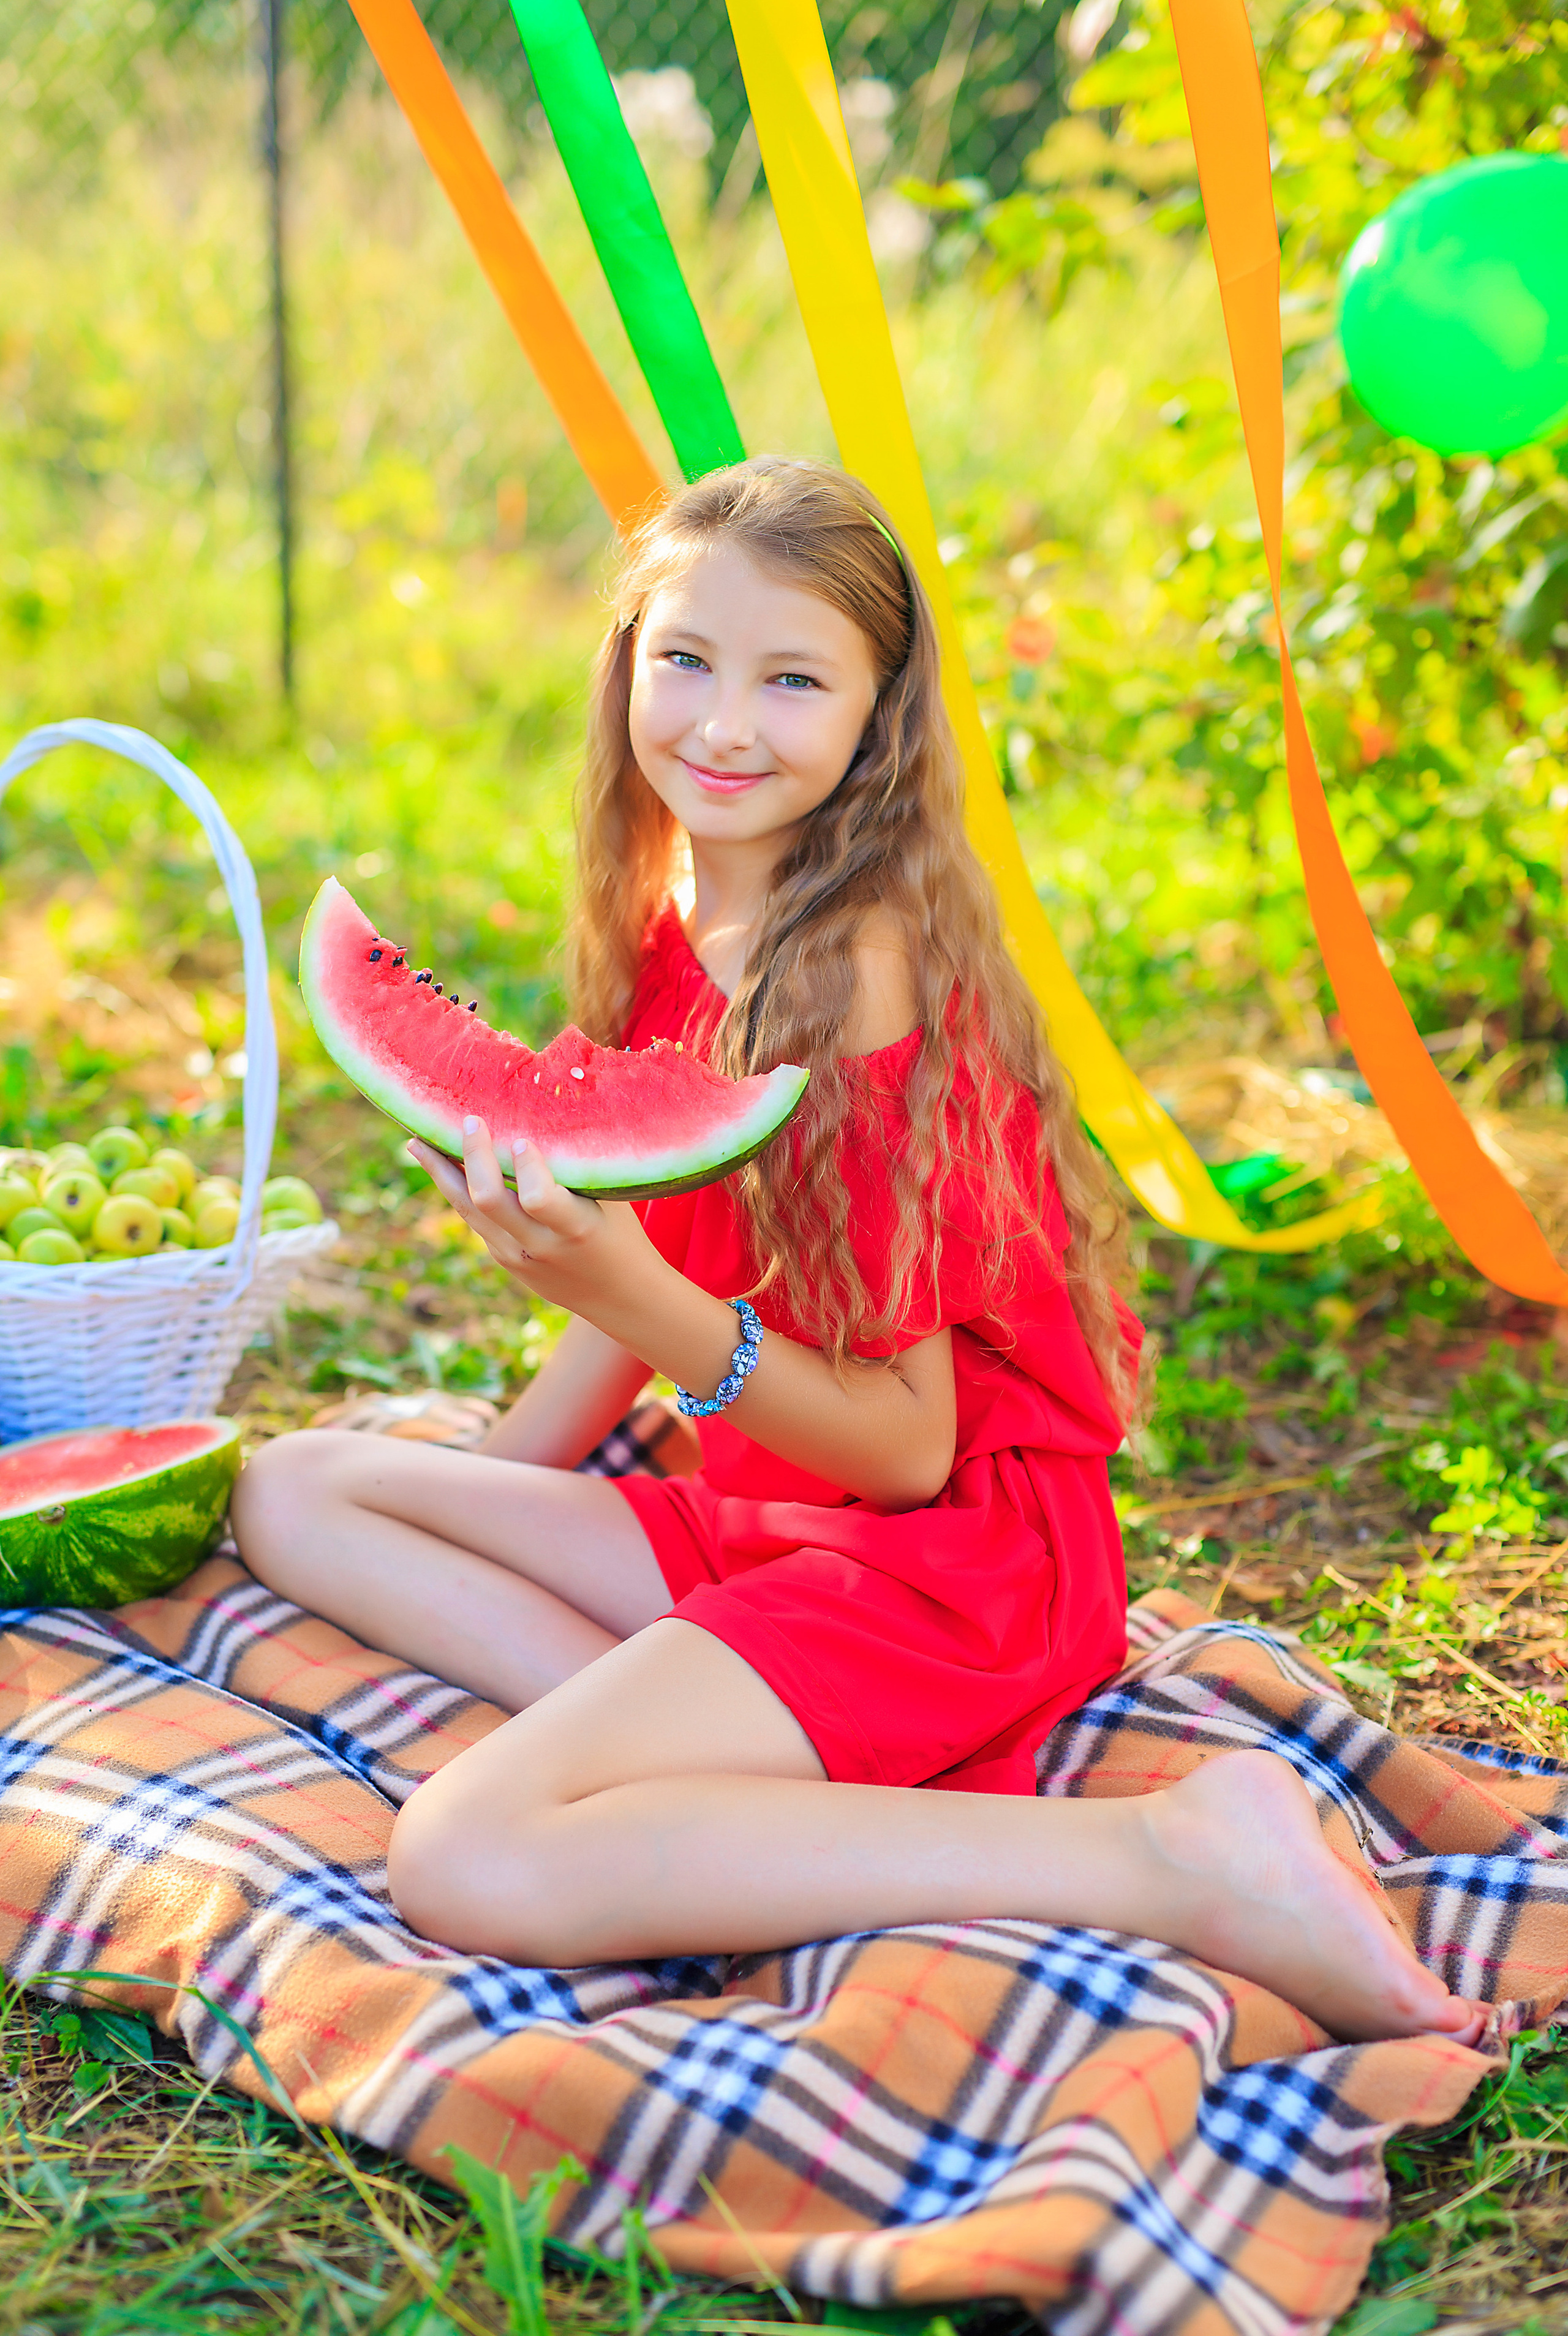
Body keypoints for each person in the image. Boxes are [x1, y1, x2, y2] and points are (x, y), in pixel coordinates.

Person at [233, 458, 1483, 2048]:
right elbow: (659, 1225)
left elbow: (905, 1451)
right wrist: (507, 1486)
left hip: (950, 1563)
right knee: (297, 1488)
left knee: (465, 1853)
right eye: (684, 659)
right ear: (626, 657)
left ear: (878, 714)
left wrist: (625, 1294)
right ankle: (705, 1786)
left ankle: (1168, 1857)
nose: (722, 725)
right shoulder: (670, 899)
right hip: (761, 1517)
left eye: (793, 680)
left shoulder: (859, 974)